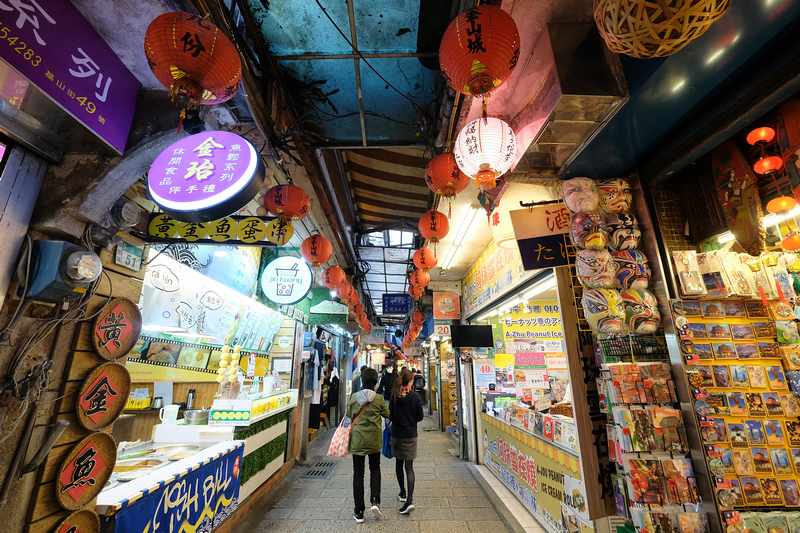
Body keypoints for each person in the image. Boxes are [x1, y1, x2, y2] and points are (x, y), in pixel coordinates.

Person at [348, 368, 390, 523]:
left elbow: (349, 414)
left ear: (362, 380)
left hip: (358, 440)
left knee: (358, 473)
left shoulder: (353, 398)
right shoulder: (378, 399)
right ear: (375, 382)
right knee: (375, 469)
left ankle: (359, 511)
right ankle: (375, 501)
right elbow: (387, 414)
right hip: (374, 440)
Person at [388, 368, 423, 514]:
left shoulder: (395, 396)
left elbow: (390, 416)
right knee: (409, 467)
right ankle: (410, 499)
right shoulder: (415, 397)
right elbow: (420, 417)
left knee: (398, 463)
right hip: (411, 434)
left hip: (397, 434)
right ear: (411, 381)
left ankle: (402, 493)